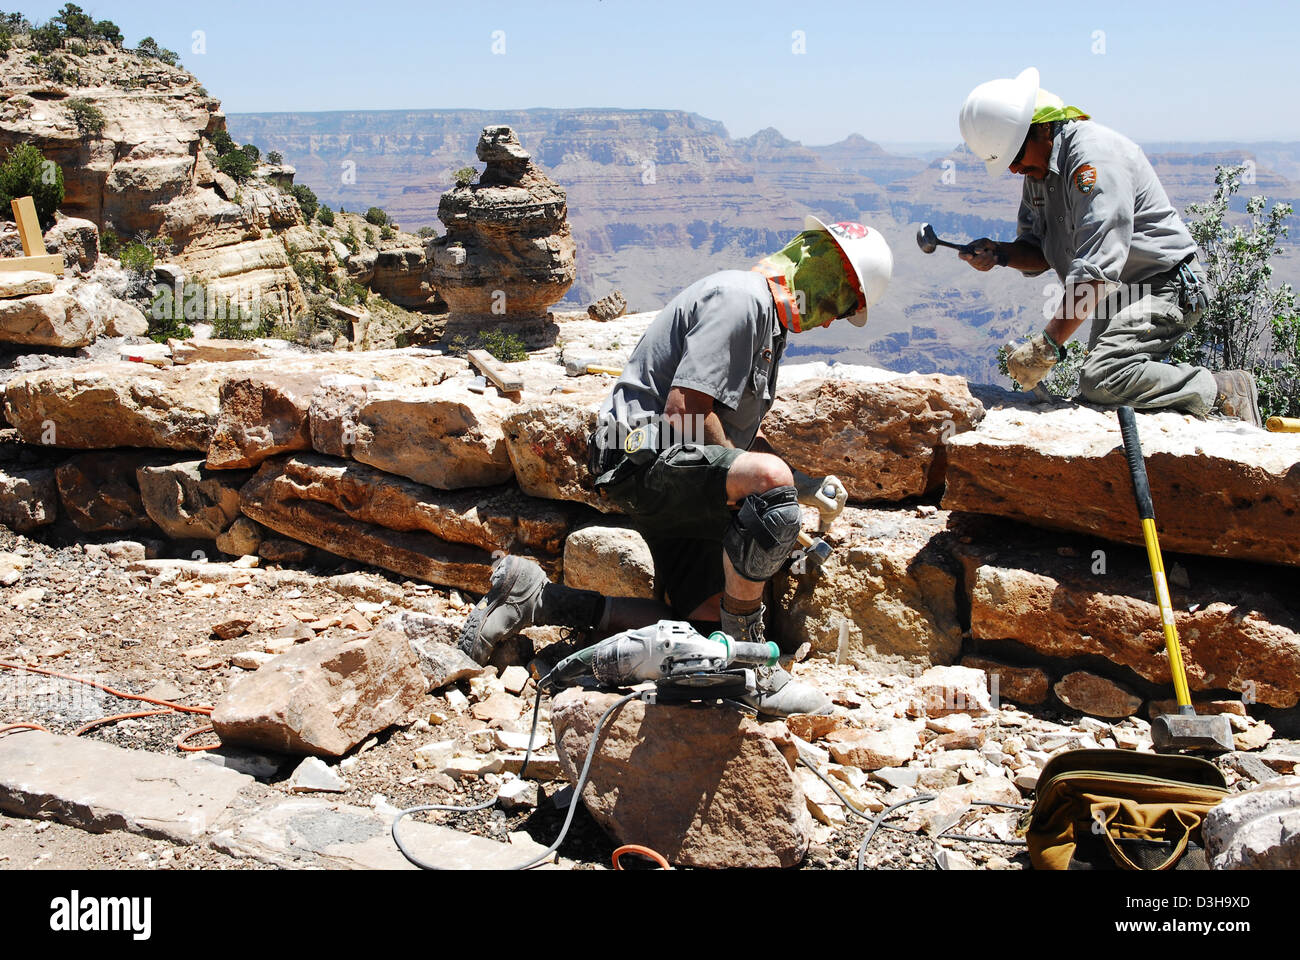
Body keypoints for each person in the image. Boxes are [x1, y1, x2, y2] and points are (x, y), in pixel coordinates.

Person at [459, 218, 893, 716]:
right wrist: (766, 491)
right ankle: (754, 671)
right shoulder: (741, 300)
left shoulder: (766, 321)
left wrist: (803, 483)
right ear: (818, 264)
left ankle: (535, 598)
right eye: (842, 298)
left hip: (674, 463)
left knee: (701, 635)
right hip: (639, 455)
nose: (835, 318)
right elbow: (685, 414)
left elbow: (731, 431)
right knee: (769, 491)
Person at [957, 67, 1261, 427]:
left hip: (1165, 284)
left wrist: (1045, 348)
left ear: (1041, 129)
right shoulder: (1038, 170)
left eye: (1016, 156)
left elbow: (1097, 273)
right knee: (1101, 393)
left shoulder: (1092, 159)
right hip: (1122, 291)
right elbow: (1041, 249)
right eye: (1007, 161)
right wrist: (1001, 254)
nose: (1014, 169)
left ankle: (1222, 389)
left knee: (1102, 377)